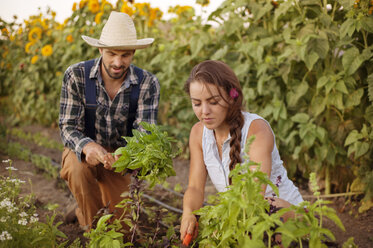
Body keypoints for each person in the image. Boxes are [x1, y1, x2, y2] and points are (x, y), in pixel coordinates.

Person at [180, 60, 303, 241]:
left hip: (285, 215)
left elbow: (254, 195)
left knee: (269, 207)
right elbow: (195, 187)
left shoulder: (256, 129)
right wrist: (188, 213)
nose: (204, 111)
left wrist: (223, 223)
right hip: (241, 216)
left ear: (231, 96)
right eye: (197, 103)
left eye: (213, 102)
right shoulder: (198, 133)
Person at [59, 11, 160, 231]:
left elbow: (146, 132)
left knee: (123, 230)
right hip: (84, 155)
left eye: (125, 55)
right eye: (111, 53)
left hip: (120, 158)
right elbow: (68, 127)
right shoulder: (76, 76)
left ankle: (82, 209)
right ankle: (93, 229)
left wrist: (126, 154)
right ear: (100, 49)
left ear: (133, 53)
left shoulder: (147, 83)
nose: (117, 62)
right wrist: (87, 146)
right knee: (78, 171)